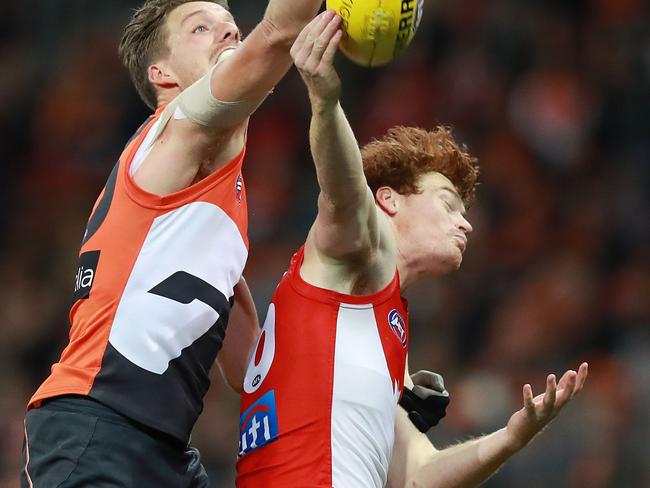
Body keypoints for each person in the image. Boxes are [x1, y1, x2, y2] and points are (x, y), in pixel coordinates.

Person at [236, 14, 588, 488]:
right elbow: (342, 189)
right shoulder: (351, 252)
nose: (464, 221)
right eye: (447, 202)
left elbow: (418, 475)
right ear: (389, 201)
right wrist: (325, 99)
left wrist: (511, 436)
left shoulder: (381, 322)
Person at [21, 1, 329, 486]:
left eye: (230, 25)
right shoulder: (180, 124)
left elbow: (249, 369)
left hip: (165, 451)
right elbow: (276, 32)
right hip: (96, 427)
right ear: (161, 74)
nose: (228, 34)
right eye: (201, 28)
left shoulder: (207, 218)